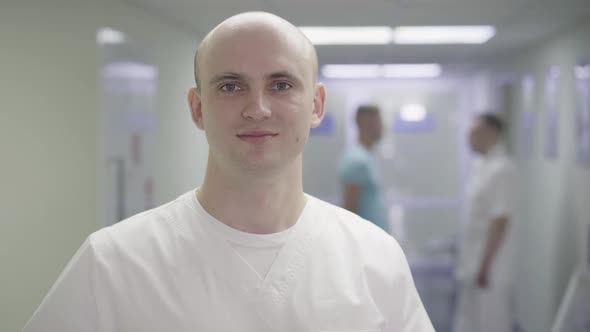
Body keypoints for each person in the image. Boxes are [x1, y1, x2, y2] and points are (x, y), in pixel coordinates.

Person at [22, 12, 433, 332]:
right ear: (197, 108)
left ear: (317, 106)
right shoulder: (113, 263)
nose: (258, 108)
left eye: (282, 84)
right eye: (231, 86)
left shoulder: (375, 258)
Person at [454, 113, 517, 332]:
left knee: (491, 324)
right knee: (469, 323)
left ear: (492, 133)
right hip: (473, 263)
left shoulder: (502, 169)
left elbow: (500, 220)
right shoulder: (483, 167)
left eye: (474, 133)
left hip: (491, 269)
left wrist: (485, 265)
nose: (469, 138)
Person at [337, 105, 389, 232]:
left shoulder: (368, 156)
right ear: (364, 123)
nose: (382, 127)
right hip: (365, 242)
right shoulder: (357, 159)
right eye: (378, 121)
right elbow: (350, 209)